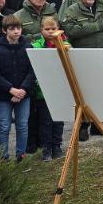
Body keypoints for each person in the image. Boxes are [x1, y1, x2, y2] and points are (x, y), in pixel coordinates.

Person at [60, 0, 103, 140]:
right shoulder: (72, 10)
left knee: (99, 92)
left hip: (102, 57)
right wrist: (94, 27)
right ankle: (82, 126)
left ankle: (97, 125)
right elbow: (69, 31)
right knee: (83, 94)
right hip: (82, 59)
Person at [0, 15, 35, 161]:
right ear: (4, 31)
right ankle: (3, 157)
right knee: (3, 126)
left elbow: (32, 70)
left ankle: (21, 154)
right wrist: (11, 89)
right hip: (3, 95)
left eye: (18, 28)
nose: (16, 31)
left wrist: (23, 89)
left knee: (22, 125)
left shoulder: (28, 47)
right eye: (12, 29)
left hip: (23, 94)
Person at [30, 17, 67, 161]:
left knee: (59, 121)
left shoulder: (65, 44)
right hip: (43, 91)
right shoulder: (35, 46)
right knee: (45, 121)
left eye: (53, 29)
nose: (50, 32)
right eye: (47, 29)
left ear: (59, 29)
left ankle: (57, 147)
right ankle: (46, 149)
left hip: (60, 89)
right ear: (41, 30)